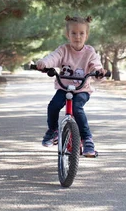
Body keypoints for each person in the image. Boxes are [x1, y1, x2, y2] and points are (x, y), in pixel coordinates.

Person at [35, 15, 107, 157]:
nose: (77, 37)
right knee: (53, 105)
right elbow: (53, 58)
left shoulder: (89, 52)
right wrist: (43, 63)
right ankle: (53, 131)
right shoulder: (63, 50)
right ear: (67, 34)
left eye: (81, 33)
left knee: (77, 108)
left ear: (86, 35)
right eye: (73, 33)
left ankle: (87, 140)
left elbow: (95, 65)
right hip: (64, 87)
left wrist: (99, 72)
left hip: (82, 89)